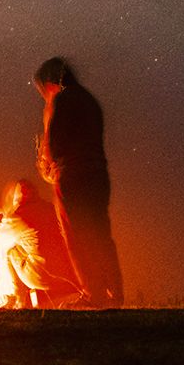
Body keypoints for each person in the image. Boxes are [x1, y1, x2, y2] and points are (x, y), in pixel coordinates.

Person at [35, 57, 124, 307]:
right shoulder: (90, 100)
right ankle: (115, 294)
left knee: (77, 236)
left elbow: (53, 144)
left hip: (72, 175)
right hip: (98, 174)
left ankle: (92, 293)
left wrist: (47, 166)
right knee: (100, 233)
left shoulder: (60, 100)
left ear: (49, 82)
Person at [0, 177, 84, 308]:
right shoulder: (50, 208)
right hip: (66, 275)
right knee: (25, 245)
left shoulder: (18, 216)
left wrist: (1, 222)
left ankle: (18, 298)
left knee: (9, 250)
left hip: (40, 277)